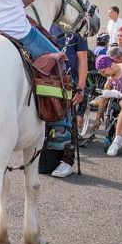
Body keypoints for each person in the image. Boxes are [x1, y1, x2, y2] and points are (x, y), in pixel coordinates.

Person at [45, 24, 88, 178]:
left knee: (67, 120)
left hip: (70, 81)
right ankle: (49, 159)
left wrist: (81, 87)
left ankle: (67, 162)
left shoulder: (77, 30)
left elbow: (83, 60)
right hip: (48, 79)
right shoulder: (47, 25)